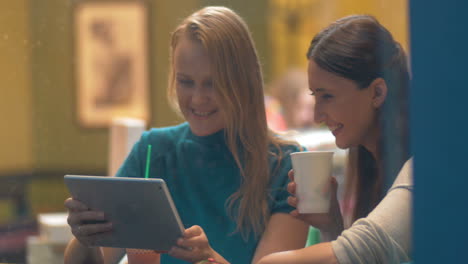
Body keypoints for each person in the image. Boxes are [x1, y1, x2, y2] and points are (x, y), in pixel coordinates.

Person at [63, 6, 308, 264]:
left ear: (243, 81)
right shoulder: (152, 151)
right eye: (186, 82)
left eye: (212, 83)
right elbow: (99, 257)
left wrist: (209, 259)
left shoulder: (286, 165)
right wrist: (84, 236)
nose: (198, 99)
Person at [257, 15, 412, 264]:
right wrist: (331, 224)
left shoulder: (419, 170)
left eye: (327, 96)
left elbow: (363, 251)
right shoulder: (371, 165)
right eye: (314, 97)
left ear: (377, 92)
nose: (317, 115)